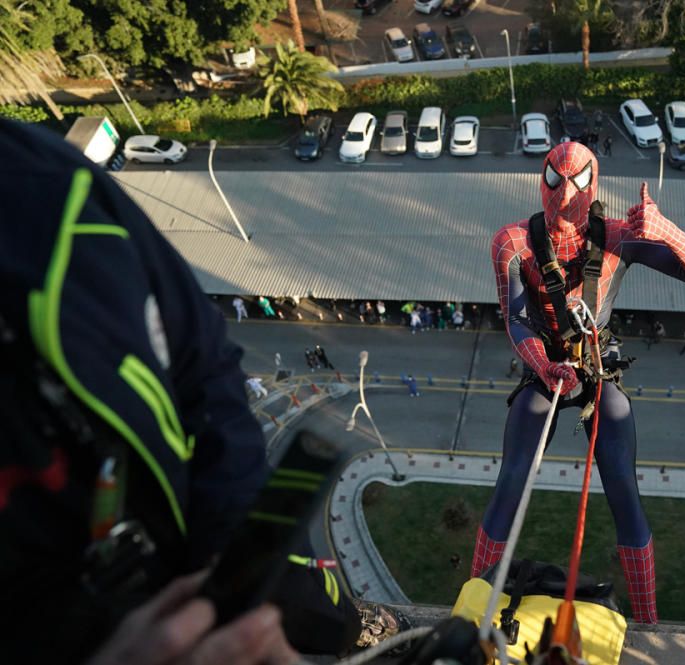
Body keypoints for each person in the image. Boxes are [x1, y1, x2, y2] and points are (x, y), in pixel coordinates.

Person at [0, 120, 404, 663]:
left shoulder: (45, 182)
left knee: (322, 611)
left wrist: (233, 570)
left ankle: (345, 626)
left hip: (221, 574)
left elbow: (207, 368)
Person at [474, 141, 685, 624]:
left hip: (596, 364)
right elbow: (517, 319)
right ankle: (471, 603)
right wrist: (544, 365)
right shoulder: (513, 242)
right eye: (554, 180)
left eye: (577, 182)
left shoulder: (618, 237)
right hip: (548, 367)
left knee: (622, 489)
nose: (565, 194)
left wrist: (664, 229)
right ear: (541, 181)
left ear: (595, 185)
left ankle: (648, 619)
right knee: (511, 482)